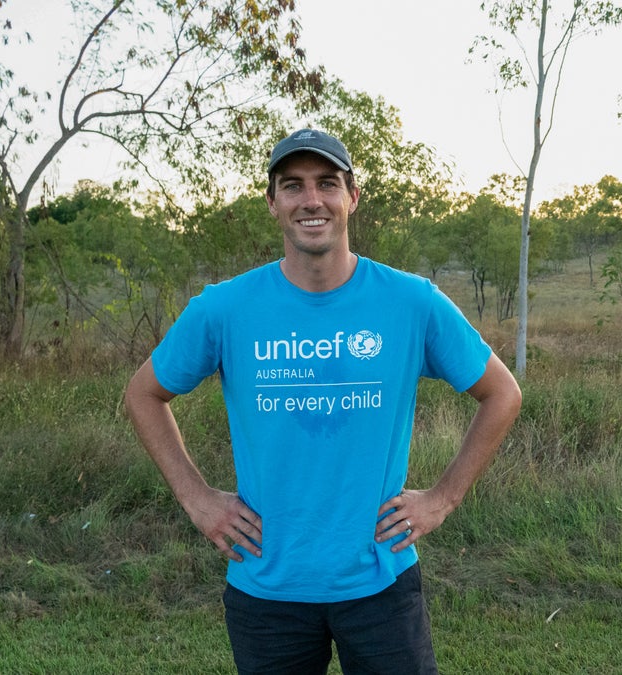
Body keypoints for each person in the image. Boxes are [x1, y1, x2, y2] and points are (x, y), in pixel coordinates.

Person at [124, 128, 522, 674]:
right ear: (272, 203)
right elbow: (144, 393)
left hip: (380, 582)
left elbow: (501, 394)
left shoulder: (411, 303)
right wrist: (197, 499)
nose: (311, 200)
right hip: (267, 586)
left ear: (351, 197)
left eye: (327, 183)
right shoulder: (225, 308)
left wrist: (443, 498)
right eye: (293, 186)